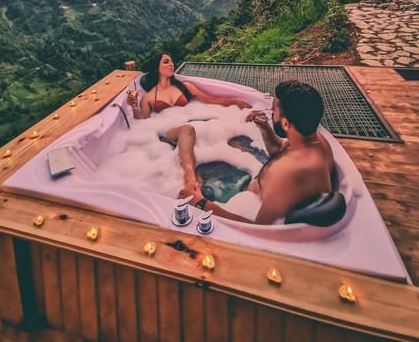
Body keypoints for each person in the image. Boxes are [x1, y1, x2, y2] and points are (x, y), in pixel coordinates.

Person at [186, 80, 335, 225]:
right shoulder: (313, 140)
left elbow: (257, 230)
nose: (270, 112)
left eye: (273, 111)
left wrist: (200, 203)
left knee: (189, 182)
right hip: (257, 193)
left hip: (247, 208)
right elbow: (281, 152)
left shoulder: (287, 174)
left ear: (285, 123)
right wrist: (264, 126)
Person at [126, 51, 251, 193]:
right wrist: (133, 105)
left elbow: (212, 100)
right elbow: (142, 123)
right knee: (187, 130)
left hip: (196, 124)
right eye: (166, 62)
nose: (171, 64)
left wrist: (236, 102)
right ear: (156, 68)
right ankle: (189, 178)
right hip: (169, 131)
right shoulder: (148, 97)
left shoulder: (184, 87)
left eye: (172, 61)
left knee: (229, 134)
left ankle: (251, 171)